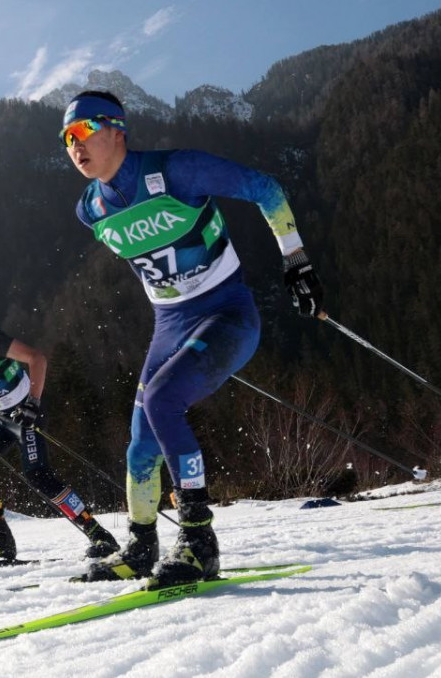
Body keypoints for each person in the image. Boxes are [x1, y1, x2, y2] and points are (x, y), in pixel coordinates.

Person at [58, 91, 323, 587]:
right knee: (140, 443)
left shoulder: (177, 171)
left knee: (162, 401)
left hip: (226, 314)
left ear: (118, 130)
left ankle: (200, 540)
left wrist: (296, 261)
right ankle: (140, 546)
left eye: (84, 131)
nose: (75, 146)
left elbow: (265, 189)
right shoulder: (90, 209)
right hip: (169, 324)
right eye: (66, 138)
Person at [0, 293, 118, 565]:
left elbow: (37, 358)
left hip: (26, 414)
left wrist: (33, 402)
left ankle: (99, 535)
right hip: (3, 417)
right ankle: (1, 540)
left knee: (38, 475)